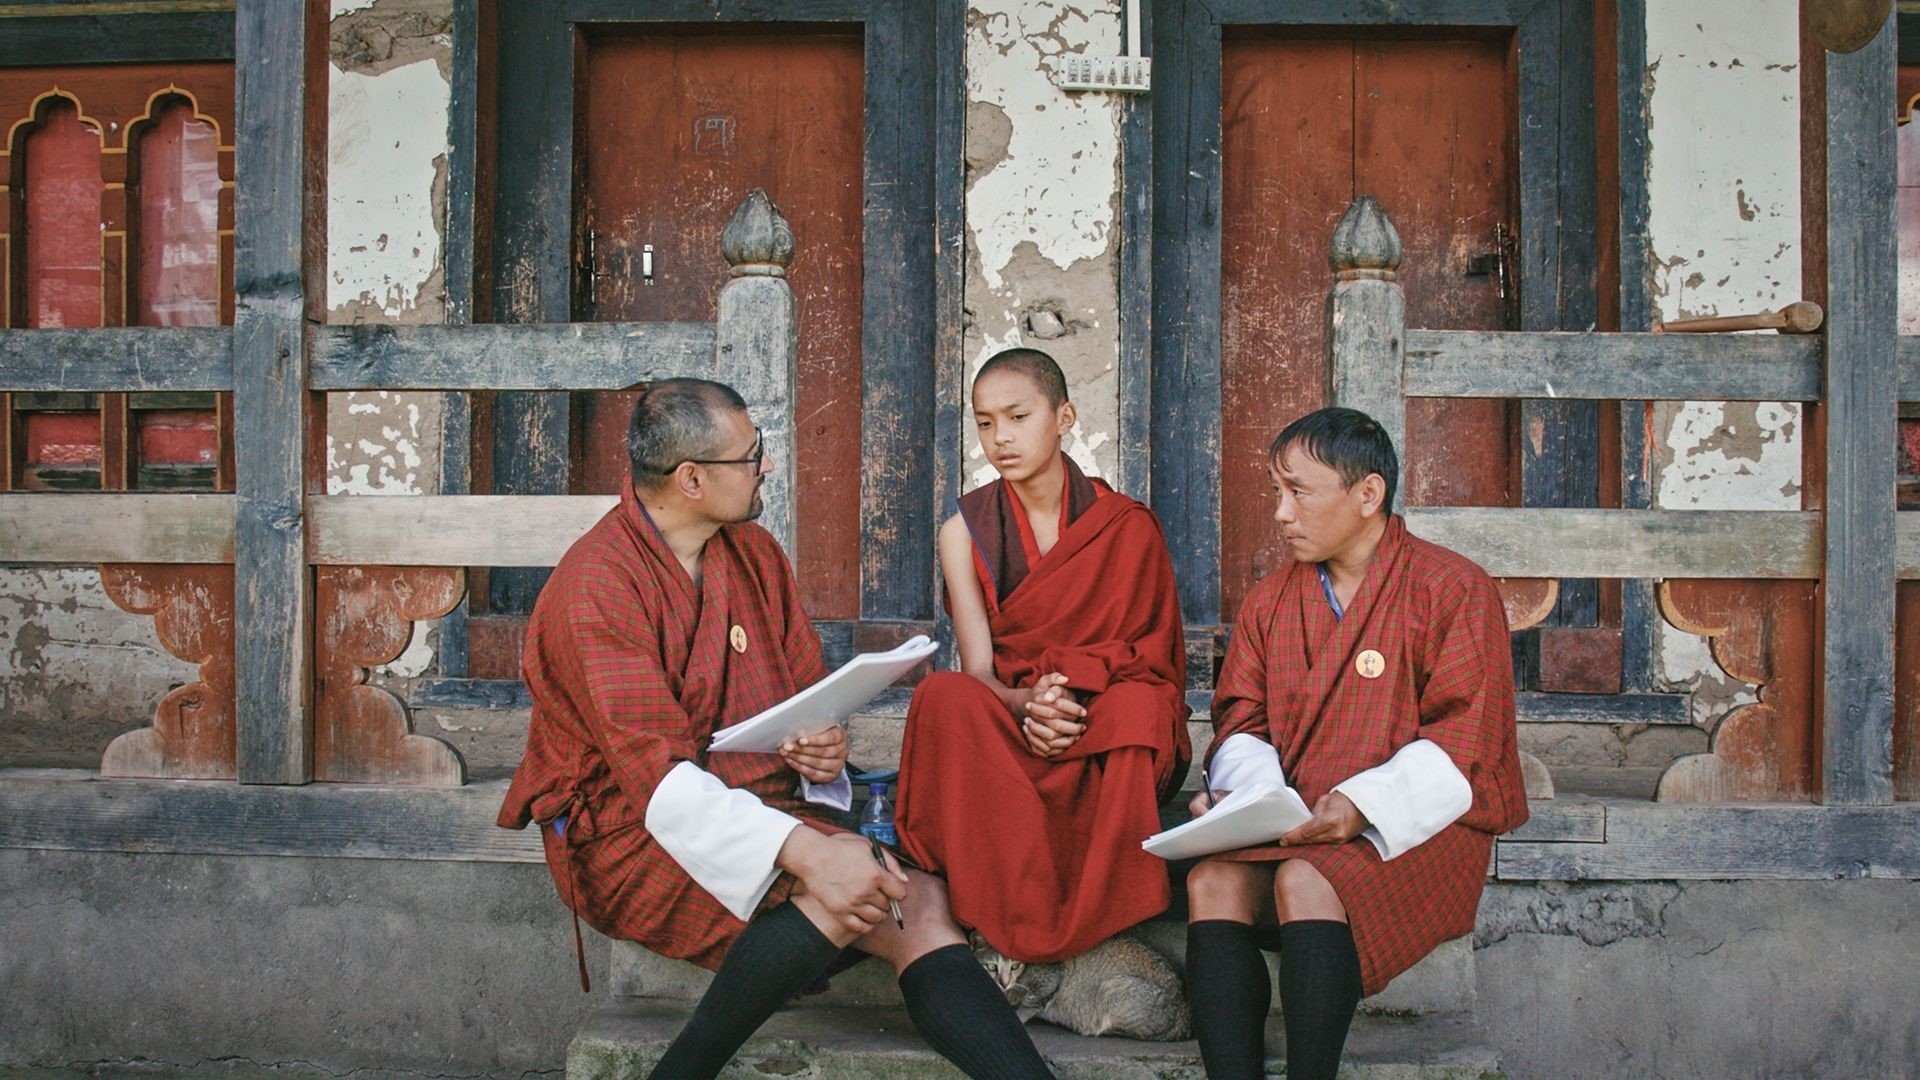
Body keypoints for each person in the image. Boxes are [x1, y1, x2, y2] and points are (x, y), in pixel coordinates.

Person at [498, 379, 1053, 1080]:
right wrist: (811, 854)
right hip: (629, 830)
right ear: (692, 479)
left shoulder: (753, 553)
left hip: (757, 798)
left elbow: (802, 699)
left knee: (919, 897)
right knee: (846, 886)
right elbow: (656, 780)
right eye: (750, 455)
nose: (766, 465)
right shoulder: (597, 586)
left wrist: (821, 753)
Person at [1183, 406, 1528, 1080]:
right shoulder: (1270, 601)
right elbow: (1240, 718)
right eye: (1277, 491)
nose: (1281, 513)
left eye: (1299, 492)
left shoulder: (1452, 588)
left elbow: (1468, 737)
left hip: (1418, 821)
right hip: (1298, 818)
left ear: (1368, 494)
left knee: (1306, 878)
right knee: (1211, 879)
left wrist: (1362, 805)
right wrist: (1247, 796)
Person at [894, 348, 1192, 964]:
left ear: (1064, 417)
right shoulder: (963, 532)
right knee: (942, 695)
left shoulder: (1126, 526)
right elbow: (979, 672)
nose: (999, 438)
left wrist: (1069, 693)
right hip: (1017, 716)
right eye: (984, 422)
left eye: (1017, 416)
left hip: (1095, 709)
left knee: (1140, 709)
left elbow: (1152, 660)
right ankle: (1002, 907)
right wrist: (1028, 703)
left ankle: (1098, 910)